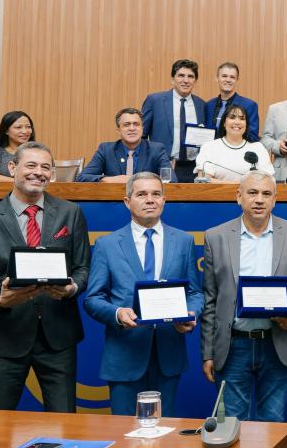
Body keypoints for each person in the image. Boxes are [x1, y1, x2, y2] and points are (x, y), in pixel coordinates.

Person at [201, 170, 287, 448]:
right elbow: (211, 299)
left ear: (275, 199)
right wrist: (207, 351)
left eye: (266, 193)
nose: (259, 199)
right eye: (252, 192)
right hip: (233, 345)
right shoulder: (217, 237)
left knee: (271, 430)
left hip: (275, 344)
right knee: (230, 429)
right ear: (239, 197)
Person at [0, 142, 91, 412]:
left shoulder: (72, 213)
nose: (39, 173)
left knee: (65, 425)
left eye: (46, 167)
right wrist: (0, 300)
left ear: (53, 174)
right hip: (6, 336)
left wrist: (72, 288)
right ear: (12, 168)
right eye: (31, 165)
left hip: (58, 336)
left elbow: (83, 269)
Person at [82, 173, 203, 415]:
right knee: (124, 436)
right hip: (125, 353)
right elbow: (92, 298)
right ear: (127, 202)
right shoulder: (108, 244)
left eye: (156, 194)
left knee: (164, 433)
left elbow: (195, 293)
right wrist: (117, 313)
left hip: (168, 353)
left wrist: (191, 313)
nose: (150, 200)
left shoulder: (183, 241)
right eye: (141, 194)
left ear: (164, 200)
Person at [141, 58, 208, 183]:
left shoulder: (202, 105)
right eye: (181, 75)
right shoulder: (154, 101)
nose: (186, 80)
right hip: (163, 165)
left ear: (195, 81)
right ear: (172, 79)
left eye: (190, 76)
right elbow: (142, 135)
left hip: (194, 168)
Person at [77, 108, 171, 183]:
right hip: (113, 201)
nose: (132, 128)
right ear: (118, 130)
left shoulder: (157, 150)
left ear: (142, 129)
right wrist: (112, 180)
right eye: (126, 125)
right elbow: (83, 177)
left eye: (136, 124)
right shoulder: (106, 150)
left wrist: (142, 182)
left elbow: (170, 180)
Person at [194, 104, 273, 182]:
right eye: (232, 117)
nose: (237, 122)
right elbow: (204, 181)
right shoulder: (209, 147)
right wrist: (236, 185)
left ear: (246, 124)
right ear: (224, 123)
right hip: (218, 194)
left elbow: (268, 180)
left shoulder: (258, 147)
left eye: (242, 119)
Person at [203, 62, 260, 142]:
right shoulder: (208, 105)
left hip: (236, 152)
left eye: (232, 77)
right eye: (224, 76)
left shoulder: (249, 105)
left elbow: (252, 137)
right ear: (217, 78)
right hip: (211, 152)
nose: (228, 80)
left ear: (237, 80)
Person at [0, 110, 35, 181]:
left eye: (28, 127)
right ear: (6, 131)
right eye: (18, 127)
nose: (25, 131)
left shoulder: (38, 151)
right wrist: (21, 183)